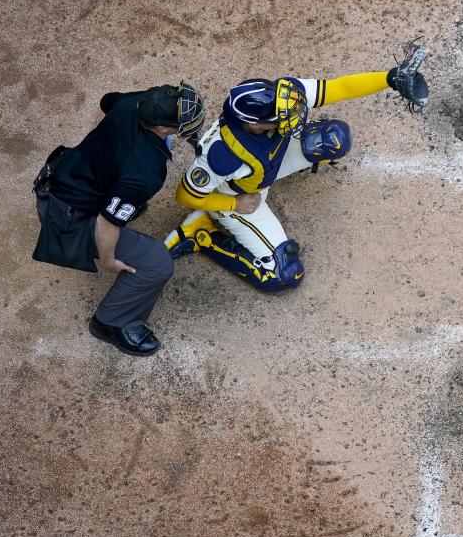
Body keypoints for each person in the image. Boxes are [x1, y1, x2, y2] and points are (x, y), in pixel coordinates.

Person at [163, 41, 429, 291]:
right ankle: (202, 234)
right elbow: (185, 195)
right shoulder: (222, 156)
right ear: (254, 124)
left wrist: (389, 78)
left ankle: (287, 171)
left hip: (266, 169)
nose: (293, 115)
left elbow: (339, 88)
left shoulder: (283, 95)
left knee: (334, 138)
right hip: (238, 196)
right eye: (281, 118)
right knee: (284, 275)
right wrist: (234, 205)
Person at [32, 82, 206, 356]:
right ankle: (111, 322)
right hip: (66, 218)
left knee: (128, 201)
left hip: (60, 177)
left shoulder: (135, 103)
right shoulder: (146, 171)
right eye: (180, 120)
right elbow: (107, 222)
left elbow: (107, 100)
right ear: (161, 128)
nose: (191, 118)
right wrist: (109, 258)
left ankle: (122, 206)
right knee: (157, 263)